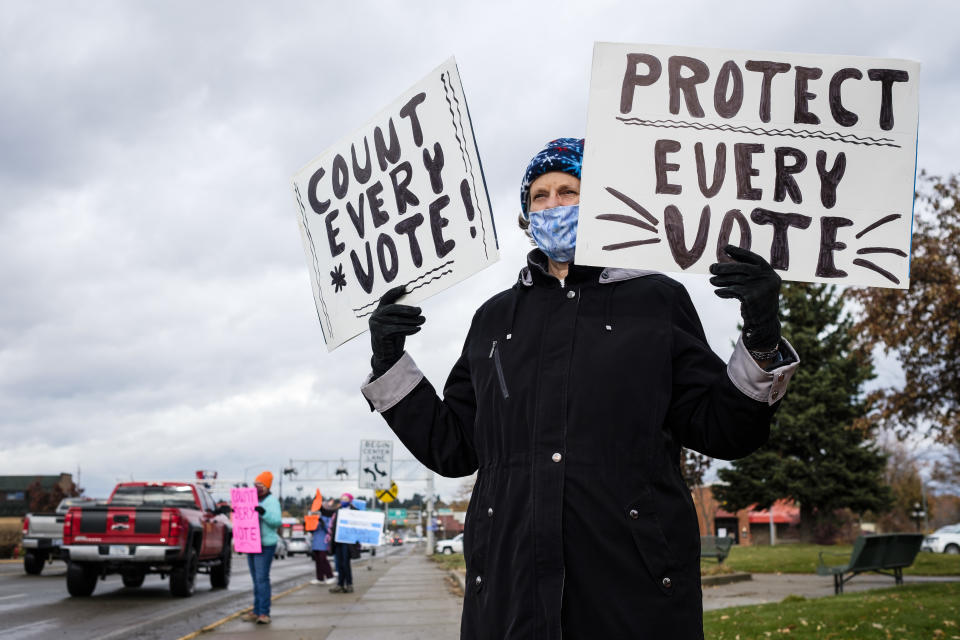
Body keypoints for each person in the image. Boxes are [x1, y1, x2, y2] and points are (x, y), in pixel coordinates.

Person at [361, 138, 800, 639]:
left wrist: (762, 338)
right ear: (526, 215)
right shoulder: (494, 320)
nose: (552, 206)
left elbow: (725, 430)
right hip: (508, 596)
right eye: (539, 196)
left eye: (568, 191)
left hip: (630, 592)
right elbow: (454, 447)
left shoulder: (655, 301)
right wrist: (389, 360)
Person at [242, 471, 281, 625]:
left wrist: (263, 513)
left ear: (267, 486)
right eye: (255, 484)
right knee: (255, 579)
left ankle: (264, 612)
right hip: (251, 543)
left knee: (262, 579)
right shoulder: (250, 500)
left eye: (260, 485)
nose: (257, 487)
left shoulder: (272, 502)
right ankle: (257, 610)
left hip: (265, 544)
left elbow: (276, 522)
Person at [329, 493, 357, 593]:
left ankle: (349, 584)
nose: (342, 501)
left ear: (350, 500)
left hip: (348, 541)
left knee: (346, 563)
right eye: (341, 499)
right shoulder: (338, 511)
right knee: (339, 563)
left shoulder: (355, 512)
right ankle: (340, 584)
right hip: (338, 540)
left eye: (345, 499)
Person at [309, 498, 336, 585]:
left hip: (323, 541)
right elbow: (312, 530)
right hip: (316, 541)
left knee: (323, 559)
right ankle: (320, 578)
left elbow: (329, 528)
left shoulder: (327, 516)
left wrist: (322, 522)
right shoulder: (314, 516)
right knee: (317, 560)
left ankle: (330, 575)